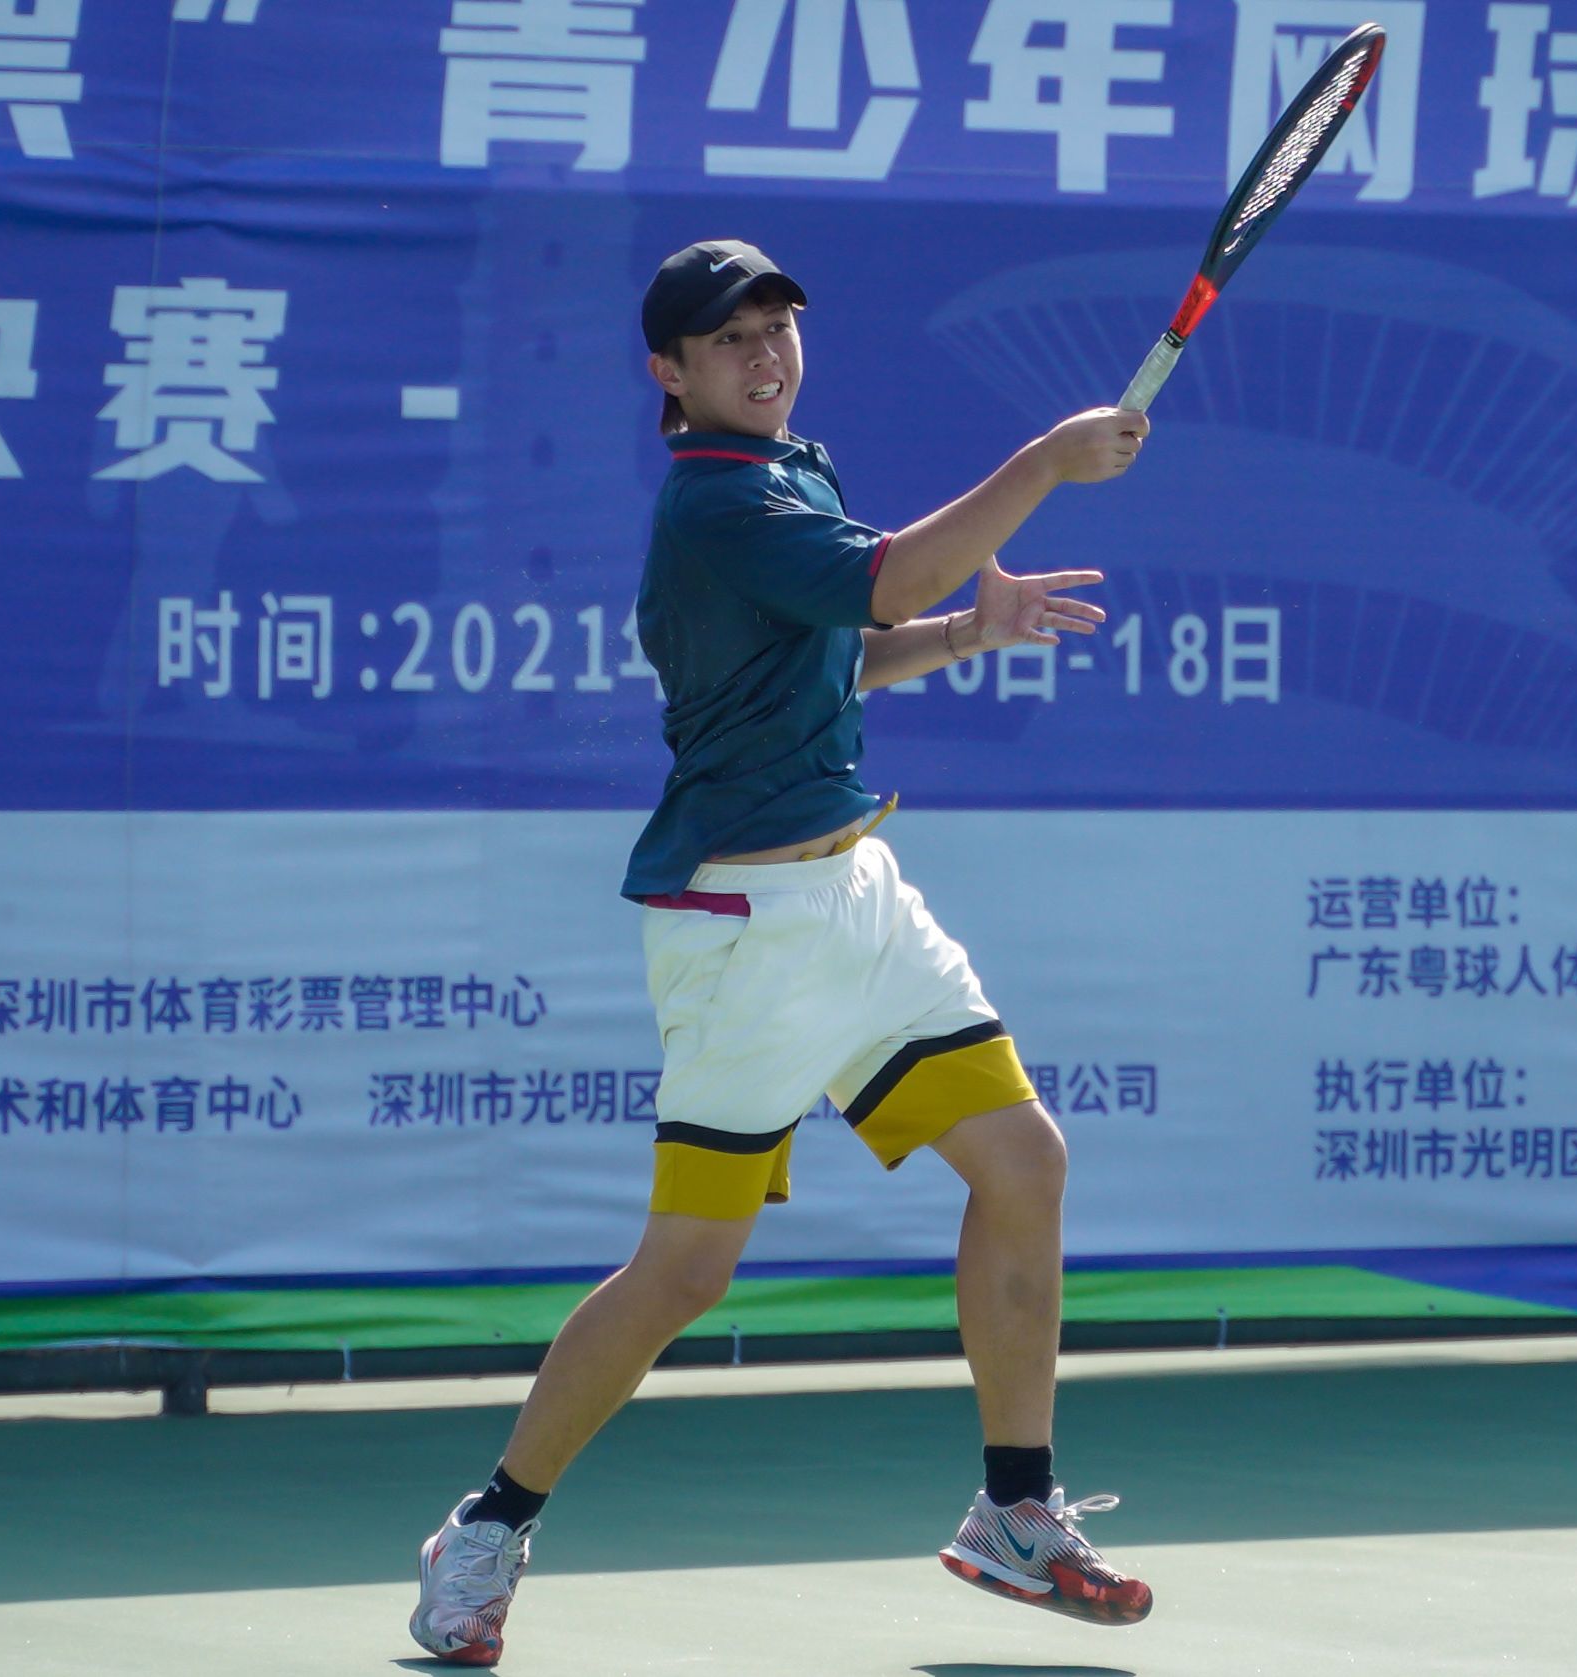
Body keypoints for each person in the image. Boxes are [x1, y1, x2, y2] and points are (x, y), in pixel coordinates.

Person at [408, 238, 1154, 1666]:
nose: (765, 355)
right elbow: (881, 583)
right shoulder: (716, 501)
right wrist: (1045, 463)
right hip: (741, 928)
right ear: (669, 372)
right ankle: (489, 1526)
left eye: (778, 327)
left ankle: (1014, 1510)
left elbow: (839, 654)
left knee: (1023, 1163)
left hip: (859, 900)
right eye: (730, 339)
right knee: (685, 1272)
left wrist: (967, 629)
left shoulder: (787, 473)